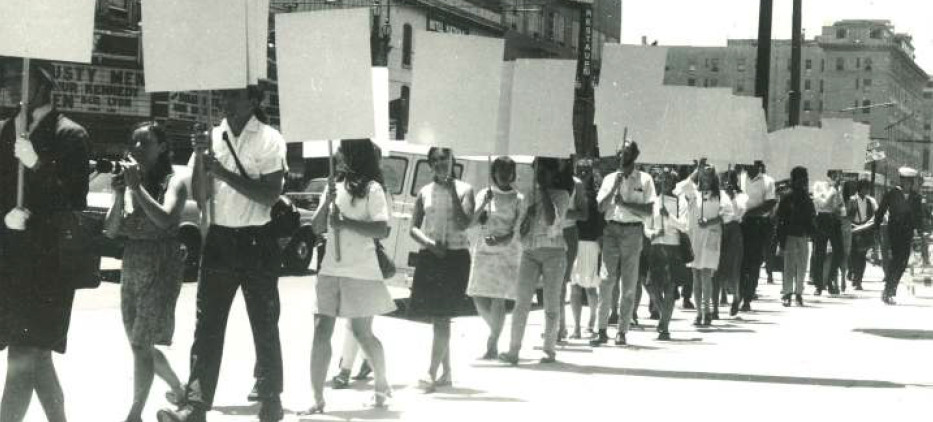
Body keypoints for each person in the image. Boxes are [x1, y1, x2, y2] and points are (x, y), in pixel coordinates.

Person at [157, 86, 286, 422]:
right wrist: (201, 158)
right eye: (224, 96)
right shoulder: (212, 138)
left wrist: (223, 172)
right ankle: (196, 405)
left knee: (264, 322)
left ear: (254, 101)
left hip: (258, 240)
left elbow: (270, 195)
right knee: (208, 325)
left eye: (234, 96)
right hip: (219, 238)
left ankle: (271, 398)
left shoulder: (270, 139)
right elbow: (200, 195)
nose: (225, 103)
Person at [0, 59, 89, 422]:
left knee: (23, 355)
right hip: (13, 260)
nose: (8, 83)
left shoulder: (71, 135)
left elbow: (74, 199)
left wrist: (37, 164)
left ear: (44, 83)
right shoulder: (7, 130)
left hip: (49, 264)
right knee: (36, 357)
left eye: (19, 77)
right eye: (7, 77)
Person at [305, 139, 395, 413]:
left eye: (342, 149)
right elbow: (316, 227)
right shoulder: (334, 187)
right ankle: (317, 398)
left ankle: (381, 383)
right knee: (321, 331)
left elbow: (382, 229)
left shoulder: (373, 189)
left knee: (362, 333)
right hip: (331, 269)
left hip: (361, 271)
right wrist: (327, 200)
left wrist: (345, 223)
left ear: (354, 155)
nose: (337, 154)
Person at [104, 122, 186, 422]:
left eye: (145, 142)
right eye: (134, 142)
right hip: (134, 260)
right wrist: (119, 194)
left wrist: (136, 188)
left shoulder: (172, 181)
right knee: (140, 344)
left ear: (162, 147)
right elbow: (111, 230)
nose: (137, 147)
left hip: (161, 263)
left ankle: (134, 414)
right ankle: (179, 388)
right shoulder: (131, 182)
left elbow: (165, 220)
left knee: (141, 343)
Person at [408, 147, 475, 392]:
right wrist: (428, 244)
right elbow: (413, 227)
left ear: (452, 160)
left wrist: (451, 190)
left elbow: (464, 222)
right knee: (438, 316)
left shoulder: (465, 189)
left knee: (442, 316)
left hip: (455, 257)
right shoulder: (425, 191)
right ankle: (445, 371)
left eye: (443, 158)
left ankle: (430, 372)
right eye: (434, 160)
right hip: (431, 255)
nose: (439, 163)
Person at [499, 158, 570, 364]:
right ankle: (514, 350)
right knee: (521, 302)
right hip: (530, 252)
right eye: (538, 171)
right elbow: (519, 230)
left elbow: (551, 222)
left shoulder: (562, 195)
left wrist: (545, 192)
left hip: (554, 252)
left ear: (552, 174)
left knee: (550, 302)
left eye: (545, 172)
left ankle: (549, 349)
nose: (540, 175)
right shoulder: (528, 195)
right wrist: (528, 215)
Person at [591, 140, 656, 347]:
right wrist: (614, 189)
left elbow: (648, 211)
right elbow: (600, 208)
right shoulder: (610, 178)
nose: (622, 155)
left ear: (634, 155)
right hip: (611, 230)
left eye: (626, 152)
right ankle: (601, 329)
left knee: (629, 283)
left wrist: (625, 204)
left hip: (633, 233)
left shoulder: (645, 179)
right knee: (606, 279)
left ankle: (622, 330)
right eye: (619, 151)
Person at [467, 156, 524, 360]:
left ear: (513, 174)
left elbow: (518, 228)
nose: (505, 177)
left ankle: (493, 343)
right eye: (501, 173)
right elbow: (471, 221)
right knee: (477, 295)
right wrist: (483, 204)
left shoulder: (519, 199)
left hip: (507, 251)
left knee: (498, 300)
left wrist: (501, 239)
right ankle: (496, 331)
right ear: (494, 174)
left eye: (508, 173)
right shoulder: (485, 193)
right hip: (483, 249)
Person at [675, 160, 725, 326]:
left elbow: (726, 214)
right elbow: (680, 187)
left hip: (710, 237)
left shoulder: (719, 195)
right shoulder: (692, 193)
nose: (706, 177)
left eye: (709, 174)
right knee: (695, 275)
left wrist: (710, 222)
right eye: (703, 173)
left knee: (706, 275)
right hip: (695, 238)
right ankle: (698, 313)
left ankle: (707, 312)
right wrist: (696, 170)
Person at [643, 169, 688, 340]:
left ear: (674, 182)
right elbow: (646, 226)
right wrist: (652, 233)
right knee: (652, 287)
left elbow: (684, 226)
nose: (665, 182)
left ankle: (665, 327)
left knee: (670, 289)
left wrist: (668, 216)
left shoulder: (679, 202)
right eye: (661, 179)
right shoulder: (652, 201)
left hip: (673, 247)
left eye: (668, 179)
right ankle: (663, 316)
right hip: (656, 247)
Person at [874, 167, 925, 305]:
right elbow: (880, 211)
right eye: (905, 181)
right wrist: (876, 227)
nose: (907, 183)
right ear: (901, 181)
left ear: (912, 182)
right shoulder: (892, 193)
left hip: (907, 234)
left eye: (910, 181)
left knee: (903, 263)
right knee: (895, 260)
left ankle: (890, 289)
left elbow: (919, 216)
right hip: (893, 232)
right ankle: (888, 290)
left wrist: (920, 232)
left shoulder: (916, 197)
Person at [569, 159, 603, 339]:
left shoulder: (596, 195)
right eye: (579, 170)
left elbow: (600, 222)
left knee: (590, 287)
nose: (582, 173)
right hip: (574, 241)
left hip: (591, 243)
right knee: (574, 286)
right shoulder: (571, 190)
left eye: (586, 170)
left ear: (591, 172)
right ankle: (576, 327)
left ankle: (592, 321)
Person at [737, 160, 776, 315]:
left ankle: (747, 298)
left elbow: (770, 203)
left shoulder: (767, 181)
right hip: (740, 223)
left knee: (754, 263)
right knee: (740, 262)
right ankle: (739, 293)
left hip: (757, 224)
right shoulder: (739, 177)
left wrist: (750, 212)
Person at [775, 167, 816, 307]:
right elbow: (780, 219)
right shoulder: (787, 197)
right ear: (794, 179)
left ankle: (799, 293)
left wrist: (813, 233)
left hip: (803, 236)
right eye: (800, 179)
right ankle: (787, 293)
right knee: (789, 266)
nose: (802, 182)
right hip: (790, 236)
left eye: (804, 179)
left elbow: (811, 218)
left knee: (802, 266)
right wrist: (780, 240)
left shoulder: (806, 198)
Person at [557, 158, 587, 342]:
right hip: (548, 232)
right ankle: (557, 325)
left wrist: (561, 212)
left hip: (568, 232)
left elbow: (583, 214)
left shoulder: (577, 184)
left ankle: (561, 327)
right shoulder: (546, 181)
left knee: (562, 282)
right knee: (552, 282)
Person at [714, 169, 746, 317]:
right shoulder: (717, 195)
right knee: (717, 267)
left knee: (733, 266)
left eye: (730, 180)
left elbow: (738, 214)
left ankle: (736, 296)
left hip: (733, 231)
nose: (727, 183)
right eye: (724, 180)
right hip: (719, 230)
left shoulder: (741, 196)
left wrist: (732, 198)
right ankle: (717, 303)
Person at [811, 171, 844, 296]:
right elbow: (822, 204)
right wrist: (834, 190)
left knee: (839, 251)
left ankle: (830, 278)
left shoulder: (837, 187)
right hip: (822, 219)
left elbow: (839, 205)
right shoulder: (819, 185)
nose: (838, 177)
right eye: (836, 174)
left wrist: (837, 192)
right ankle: (818, 285)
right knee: (819, 252)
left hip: (834, 219)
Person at [848, 179, 878, 290]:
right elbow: (847, 216)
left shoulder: (870, 201)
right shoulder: (852, 200)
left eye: (867, 188)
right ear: (859, 188)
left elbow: (873, 215)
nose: (866, 190)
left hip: (864, 231)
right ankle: (852, 273)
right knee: (853, 255)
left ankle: (858, 280)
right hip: (853, 230)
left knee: (861, 256)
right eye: (865, 188)